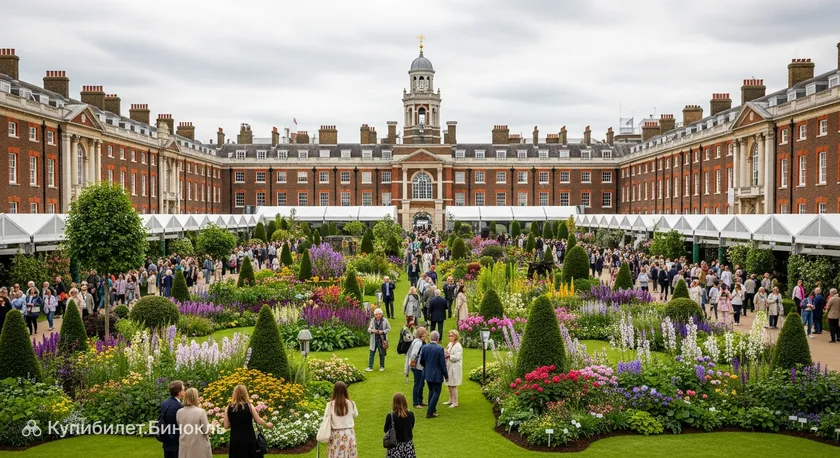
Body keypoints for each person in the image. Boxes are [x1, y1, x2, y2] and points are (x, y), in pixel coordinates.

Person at [224, 384, 273, 458]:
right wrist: (267, 424)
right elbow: (259, 420)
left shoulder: (228, 408)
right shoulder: (250, 406)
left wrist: (235, 422)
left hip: (235, 438)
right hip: (248, 437)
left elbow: (226, 426)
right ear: (245, 393)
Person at [417, 331, 448, 418]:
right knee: (436, 392)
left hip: (428, 373)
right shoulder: (440, 349)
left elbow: (421, 360)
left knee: (431, 391)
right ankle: (430, 412)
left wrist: (426, 367)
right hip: (437, 375)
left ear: (430, 338)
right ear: (437, 339)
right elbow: (443, 364)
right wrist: (446, 375)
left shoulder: (424, 347)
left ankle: (432, 410)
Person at [324, 381, 358, 458]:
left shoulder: (330, 405)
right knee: (349, 454)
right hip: (349, 433)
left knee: (335, 455)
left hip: (336, 434)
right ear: (345, 390)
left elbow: (326, 417)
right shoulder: (351, 403)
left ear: (334, 391)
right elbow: (355, 415)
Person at [176, 387, 213, 458]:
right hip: (199, 446)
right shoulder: (200, 412)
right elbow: (206, 430)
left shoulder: (179, 412)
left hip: (185, 446)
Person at [384, 393, 416, 458]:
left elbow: (386, 430)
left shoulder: (390, 416)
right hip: (408, 446)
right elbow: (411, 426)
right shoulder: (410, 414)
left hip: (394, 446)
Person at [160, 380, 185, 458]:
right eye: (183, 389)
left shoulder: (165, 402)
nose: (184, 391)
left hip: (166, 436)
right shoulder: (178, 406)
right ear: (180, 392)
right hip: (175, 439)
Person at [405, 327, 427, 409]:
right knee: (418, 384)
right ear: (422, 335)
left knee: (421, 383)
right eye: (425, 334)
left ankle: (420, 400)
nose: (426, 336)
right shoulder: (418, 343)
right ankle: (416, 402)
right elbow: (414, 354)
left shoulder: (417, 341)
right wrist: (414, 362)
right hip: (417, 366)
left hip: (418, 365)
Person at [443, 330, 463, 408]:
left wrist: (448, 355)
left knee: (453, 385)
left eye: (452, 336)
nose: (450, 337)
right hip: (449, 366)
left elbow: (457, 357)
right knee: (449, 384)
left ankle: (455, 402)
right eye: (449, 336)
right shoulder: (450, 344)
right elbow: (447, 352)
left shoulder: (458, 346)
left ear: (456, 337)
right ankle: (451, 400)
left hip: (455, 367)